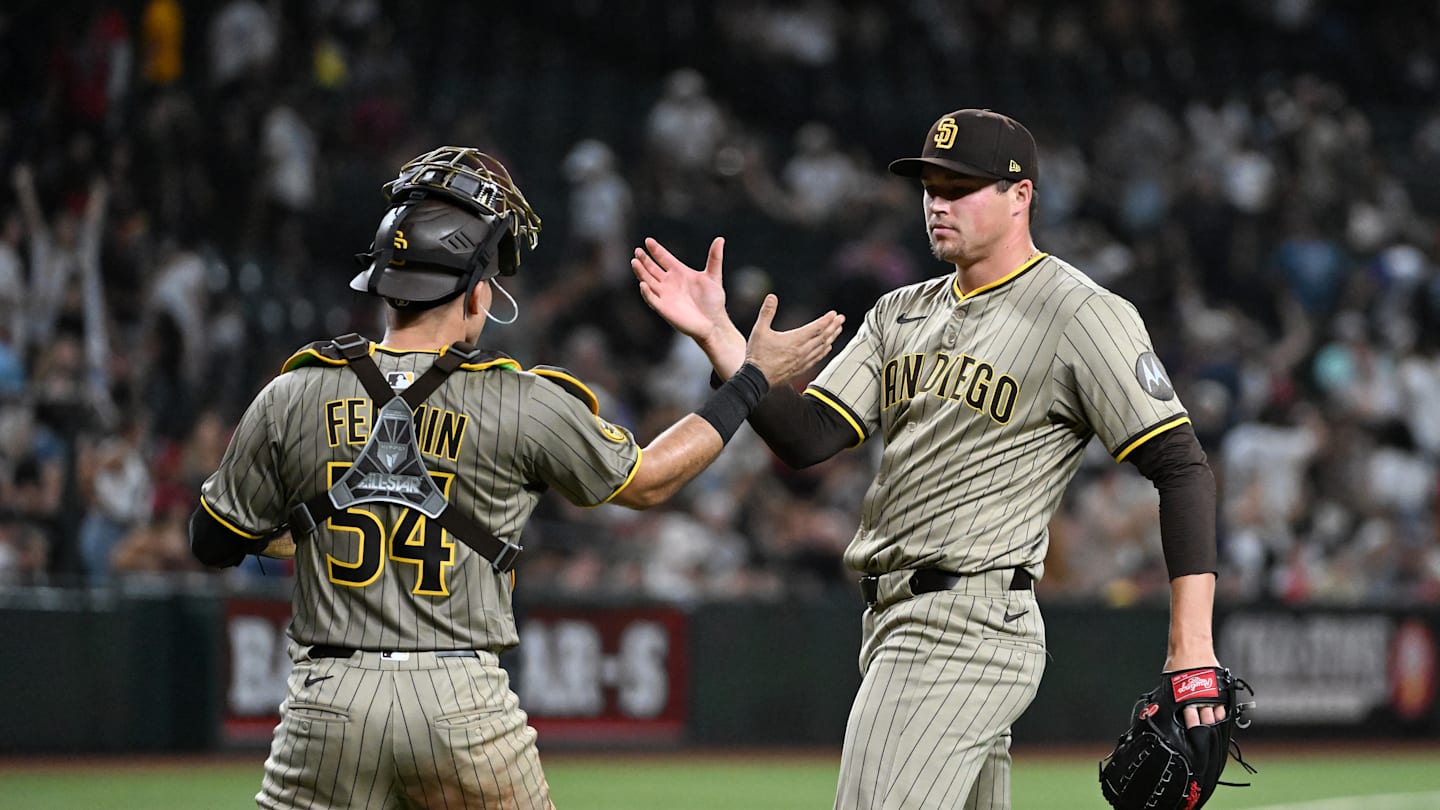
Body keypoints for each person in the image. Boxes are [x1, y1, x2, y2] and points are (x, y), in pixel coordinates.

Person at [188, 145, 842, 810]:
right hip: (460, 704)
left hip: (326, 702)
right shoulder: (521, 400)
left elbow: (211, 541)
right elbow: (648, 481)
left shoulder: (292, 392)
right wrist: (752, 376)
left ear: (383, 283)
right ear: (476, 292)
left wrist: (304, 532)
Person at [631, 109, 1226, 810]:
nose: (938, 202)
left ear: (1020, 196)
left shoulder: (1080, 313)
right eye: (930, 185)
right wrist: (725, 343)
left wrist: (1192, 646)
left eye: (961, 186)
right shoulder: (899, 312)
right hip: (892, 623)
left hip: (967, 625)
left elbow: (1181, 466)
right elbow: (809, 437)